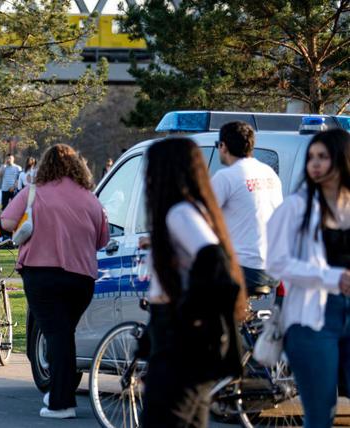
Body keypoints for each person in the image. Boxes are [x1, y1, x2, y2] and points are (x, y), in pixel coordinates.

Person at [141, 138, 245, 427]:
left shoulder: (180, 213)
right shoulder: (193, 211)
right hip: (177, 333)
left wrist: (189, 311)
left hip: (179, 337)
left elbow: (213, 259)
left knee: (164, 420)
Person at [0, 144, 109, 419]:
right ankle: (60, 393)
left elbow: (7, 222)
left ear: (45, 165)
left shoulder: (33, 192)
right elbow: (103, 239)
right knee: (63, 335)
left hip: (42, 273)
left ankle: (61, 402)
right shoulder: (91, 199)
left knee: (56, 335)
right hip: (82, 277)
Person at [266, 128, 350, 428]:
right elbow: (276, 262)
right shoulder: (296, 207)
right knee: (320, 413)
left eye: (323, 157)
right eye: (311, 157)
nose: (315, 163)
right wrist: (330, 277)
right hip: (313, 319)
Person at [211, 121, 283, 296]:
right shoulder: (269, 173)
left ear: (223, 146)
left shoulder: (225, 177)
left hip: (244, 269)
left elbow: (199, 217)